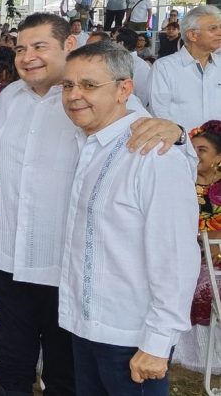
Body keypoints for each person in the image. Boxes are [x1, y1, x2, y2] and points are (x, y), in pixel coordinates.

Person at [0, 13, 182, 396]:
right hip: (9, 260)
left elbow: (149, 142)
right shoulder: (9, 99)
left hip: (65, 271)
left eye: (40, 46)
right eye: (21, 48)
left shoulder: (91, 98)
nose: (28, 57)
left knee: (66, 373)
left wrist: (178, 132)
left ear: (68, 46)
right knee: (11, 366)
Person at [57, 41, 198, 394]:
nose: (75, 95)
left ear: (124, 89)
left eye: (89, 85)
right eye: (68, 85)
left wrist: (157, 341)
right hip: (86, 327)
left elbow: (176, 255)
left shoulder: (154, 152)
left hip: (132, 337)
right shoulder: (87, 144)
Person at [174, 120, 221, 374]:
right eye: (192, 149)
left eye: (202, 150)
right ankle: (187, 355)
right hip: (188, 255)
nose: (195, 154)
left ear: (219, 157)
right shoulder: (181, 182)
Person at [148, 4, 221, 130]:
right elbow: (160, 115)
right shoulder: (164, 68)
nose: (219, 32)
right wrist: (184, 142)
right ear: (192, 35)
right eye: (213, 28)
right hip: (179, 147)